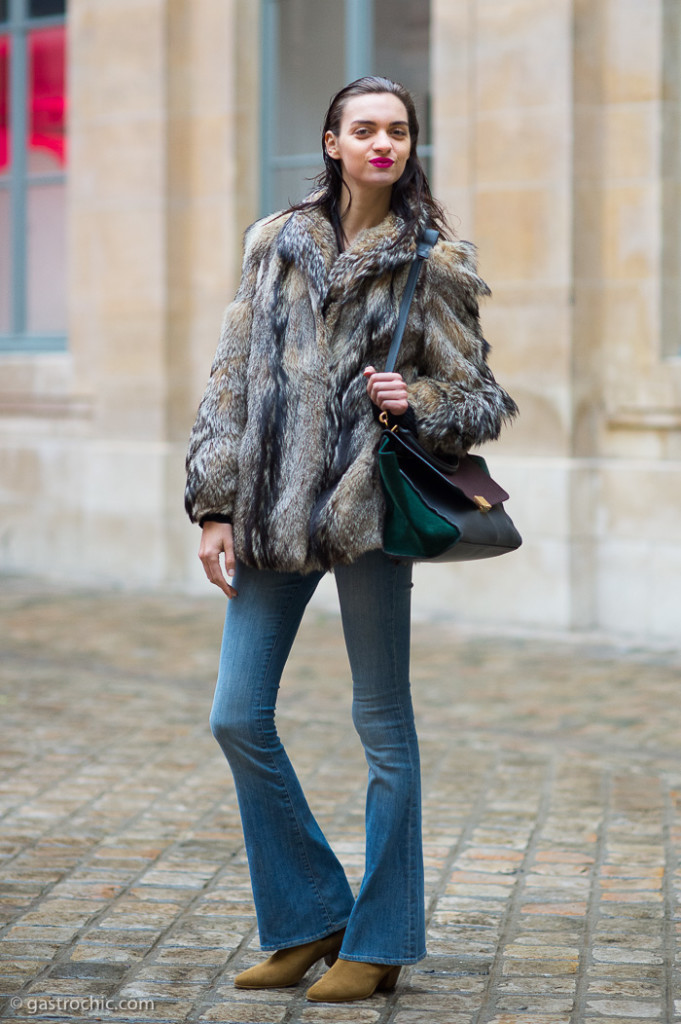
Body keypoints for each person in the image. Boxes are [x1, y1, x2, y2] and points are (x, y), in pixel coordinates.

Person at [184, 76, 517, 1004]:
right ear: (330, 141)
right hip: (269, 513)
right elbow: (229, 381)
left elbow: (482, 396)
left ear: (411, 146)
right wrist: (213, 503)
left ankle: (378, 943)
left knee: (383, 731)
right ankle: (310, 914)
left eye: (398, 131)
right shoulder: (272, 244)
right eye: (364, 129)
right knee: (236, 714)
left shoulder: (433, 262)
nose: (383, 143)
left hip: (370, 516)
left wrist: (425, 402)